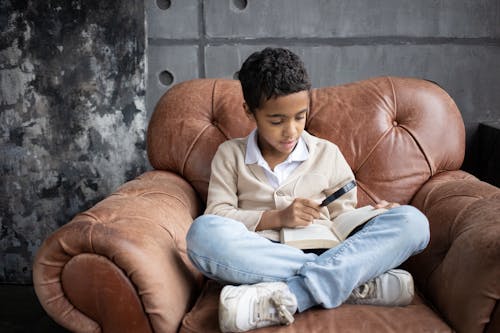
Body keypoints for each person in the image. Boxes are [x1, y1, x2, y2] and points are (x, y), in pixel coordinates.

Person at [186, 47, 430, 333]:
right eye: (277, 121)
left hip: (329, 247)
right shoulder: (230, 155)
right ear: (249, 112)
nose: (291, 131)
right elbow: (218, 213)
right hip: (261, 253)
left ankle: (296, 293)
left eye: (300, 117)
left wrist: (372, 216)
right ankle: (350, 281)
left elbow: (342, 219)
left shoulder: (328, 153)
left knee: (414, 222)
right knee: (202, 234)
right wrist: (276, 218)